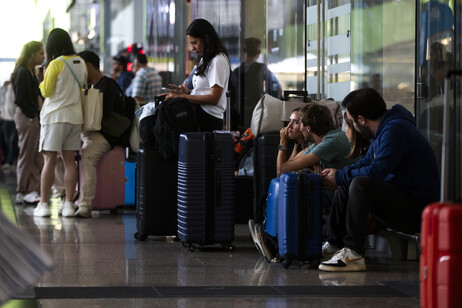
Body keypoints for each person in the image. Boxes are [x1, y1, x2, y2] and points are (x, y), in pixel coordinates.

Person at [319, 88, 440, 272]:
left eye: (351, 122)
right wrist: (338, 175)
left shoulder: (396, 129)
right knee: (349, 181)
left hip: (417, 210)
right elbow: (366, 162)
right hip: (403, 199)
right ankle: (334, 243)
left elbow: (376, 171)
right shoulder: (384, 130)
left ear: (361, 119)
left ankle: (354, 252)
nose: (352, 127)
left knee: (360, 183)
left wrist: (341, 176)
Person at [249, 103, 357, 262]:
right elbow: (282, 173)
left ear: (308, 128)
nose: (292, 127)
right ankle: (277, 241)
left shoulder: (332, 141)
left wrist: (284, 144)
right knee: (296, 184)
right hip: (339, 192)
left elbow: (283, 170)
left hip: (348, 195)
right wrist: (287, 144)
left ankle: (279, 244)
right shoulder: (319, 143)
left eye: (298, 123)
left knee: (301, 190)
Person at [75, 50, 134, 218]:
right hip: (92, 132)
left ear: (88, 66)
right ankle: (69, 198)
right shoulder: (91, 85)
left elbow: (103, 117)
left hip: (106, 134)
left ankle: (85, 205)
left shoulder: (107, 86)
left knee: (88, 157)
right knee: (62, 152)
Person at [36, 28, 87, 217]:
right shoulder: (81, 62)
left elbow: (46, 92)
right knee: (69, 161)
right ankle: (68, 206)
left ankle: (43, 205)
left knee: (49, 160)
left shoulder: (56, 64)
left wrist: (41, 78)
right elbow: (81, 87)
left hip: (55, 118)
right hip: (75, 118)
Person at [162, 18, 231, 132]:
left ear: (206, 38)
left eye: (195, 43)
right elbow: (205, 91)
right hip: (201, 114)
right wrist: (187, 92)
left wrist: (182, 97)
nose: (192, 48)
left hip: (209, 118)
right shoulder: (206, 59)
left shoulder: (218, 60)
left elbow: (214, 98)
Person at [11, 41, 45, 204]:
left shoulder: (31, 72)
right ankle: (22, 190)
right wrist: (32, 114)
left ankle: (30, 189)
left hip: (32, 117)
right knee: (27, 154)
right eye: (40, 53)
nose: (43, 56)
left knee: (36, 156)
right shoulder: (22, 72)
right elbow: (21, 98)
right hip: (27, 117)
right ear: (31, 55)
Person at [229, 37, 282, 130]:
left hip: (238, 115)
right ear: (259, 52)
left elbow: (230, 94)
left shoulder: (236, 71)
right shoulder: (262, 69)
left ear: (244, 51)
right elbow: (276, 88)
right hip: (258, 111)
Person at [276, 107, 305, 176]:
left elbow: (280, 173)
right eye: (290, 121)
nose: (289, 126)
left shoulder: (308, 147)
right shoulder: (298, 144)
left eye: (296, 122)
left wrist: (283, 142)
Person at [0, 80, 19, 171]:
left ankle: (10, 161)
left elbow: (12, 106)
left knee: (11, 142)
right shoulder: (7, 90)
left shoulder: (12, 90)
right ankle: (8, 160)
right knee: (7, 142)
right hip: (7, 119)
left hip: (12, 119)